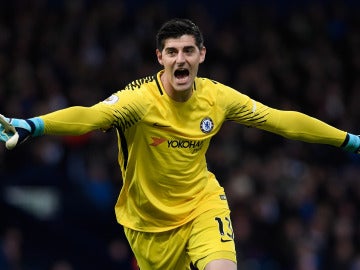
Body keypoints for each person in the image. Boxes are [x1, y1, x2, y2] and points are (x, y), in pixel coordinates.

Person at [0, 18, 359, 270]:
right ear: (160, 58)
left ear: (202, 55)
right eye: (172, 52)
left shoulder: (217, 97)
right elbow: (90, 116)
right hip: (147, 225)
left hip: (202, 205)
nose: (180, 59)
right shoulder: (138, 101)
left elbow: (280, 120)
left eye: (188, 50)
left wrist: (349, 141)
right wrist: (34, 125)